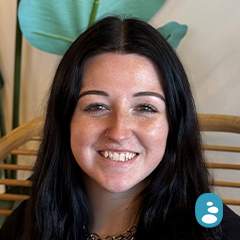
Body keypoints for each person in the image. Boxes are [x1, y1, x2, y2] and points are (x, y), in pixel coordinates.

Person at [0, 16, 240, 240]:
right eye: (96, 106)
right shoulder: (24, 224)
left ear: (174, 124)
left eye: (145, 108)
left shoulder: (223, 232)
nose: (118, 132)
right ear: (66, 119)